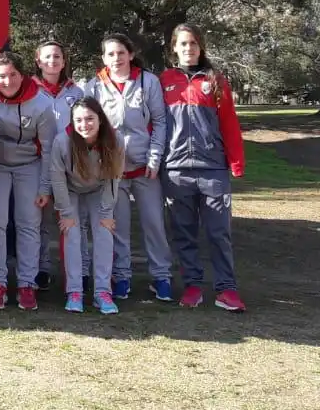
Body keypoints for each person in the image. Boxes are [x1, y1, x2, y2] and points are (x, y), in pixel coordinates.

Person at [160, 24, 246, 312]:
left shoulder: (216, 81)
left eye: (194, 43)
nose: (189, 48)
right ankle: (193, 286)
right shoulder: (163, 81)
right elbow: (155, 124)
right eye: (183, 43)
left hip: (213, 169)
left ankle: (227, 289)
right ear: (174, 47)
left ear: (201, 47)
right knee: (183, 232)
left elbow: (229, 123)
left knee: (219, 232)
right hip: (175, 170)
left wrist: (236, 162)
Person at [85, 33, 172, 302]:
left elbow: (160, 122)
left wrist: (155, 158)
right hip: (113, 171)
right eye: (110, 54)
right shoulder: (94, 86)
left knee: (154, 224)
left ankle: (162, 277)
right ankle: (121, 276)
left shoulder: (148, 81)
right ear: (103, 58)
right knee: (119, 226)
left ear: (131, 54)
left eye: (121, 53)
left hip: (146, 168)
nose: (116, 58)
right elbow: (88, 127)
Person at [0, 52, 56, 311]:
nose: (8, 81)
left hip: (29, 164)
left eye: (13, 74)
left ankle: (27, 283)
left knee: (29, 223)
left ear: (23, 75)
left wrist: (45, 187)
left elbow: (49, 149)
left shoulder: (42, 103)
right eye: (2, 75)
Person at [51, 97, 123, 315]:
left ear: (100, 118)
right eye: (79, 120)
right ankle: (75, 292)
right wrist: (65, 213)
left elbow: (114, 176)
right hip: (70, 190)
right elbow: (57, 178)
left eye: (90, 118)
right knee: (72, 233)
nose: (84, 125)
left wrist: (107, 212)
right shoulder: (62, 141)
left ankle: (103, 292)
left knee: (104, 232)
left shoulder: (115, 139)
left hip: (99, 189)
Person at [34, 40, 87, 292]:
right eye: (47, 57)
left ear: (64, 61)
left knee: (74, 219)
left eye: (57, 56)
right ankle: (42, 268)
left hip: (70, 164)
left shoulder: (76, 92)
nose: (52, 61)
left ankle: (80, 271)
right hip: (39, 162)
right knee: (40, 219)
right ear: (38, 61)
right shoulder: (29, 89)